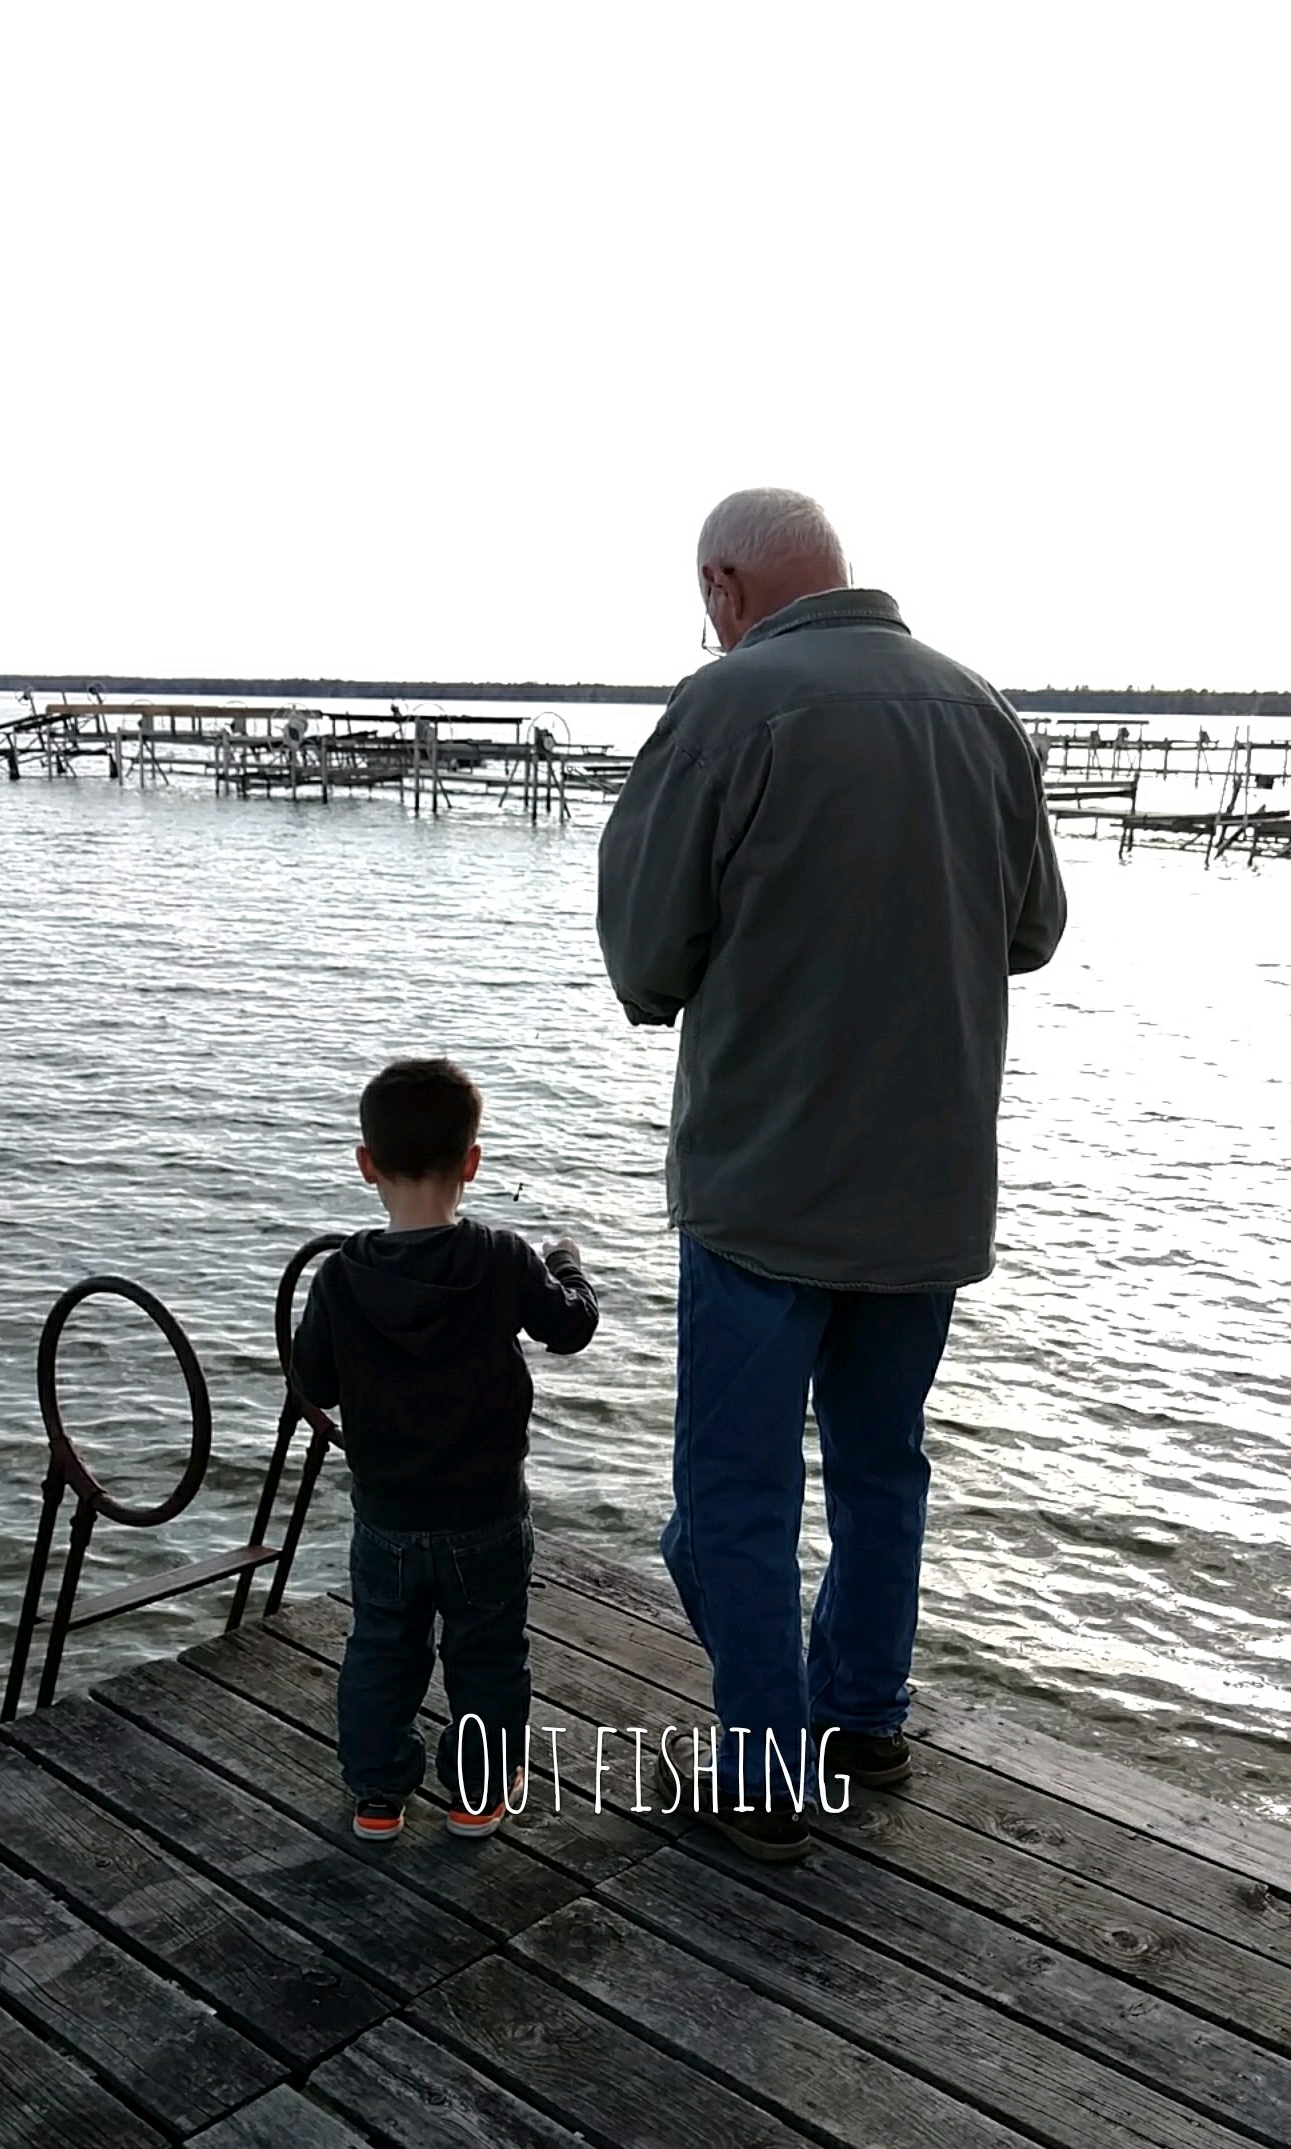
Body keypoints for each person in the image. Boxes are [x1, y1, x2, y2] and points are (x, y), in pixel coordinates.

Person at [597, 487, 1066, 1862]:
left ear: (726, 582)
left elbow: (643, 959)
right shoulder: (979, 709)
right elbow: (1030, 930)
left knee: (734, 1501)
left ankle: (761, 1776)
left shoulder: (725, 707)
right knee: (880, 1468)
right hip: (929, 1190)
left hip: (768, 1187)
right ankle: (863, 1717)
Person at [290, 1058, 599, 1842]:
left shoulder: (341, 1276)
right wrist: (566, 1262)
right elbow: (570, 1326)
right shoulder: (499, 1255)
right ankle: (477, 1797)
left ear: (366, 1166)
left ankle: (378, 1798)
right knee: (489, 1654)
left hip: (387, 1517)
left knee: (381, 1653)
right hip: (487, 1512)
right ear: (472, 1163)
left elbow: (313, 1383)